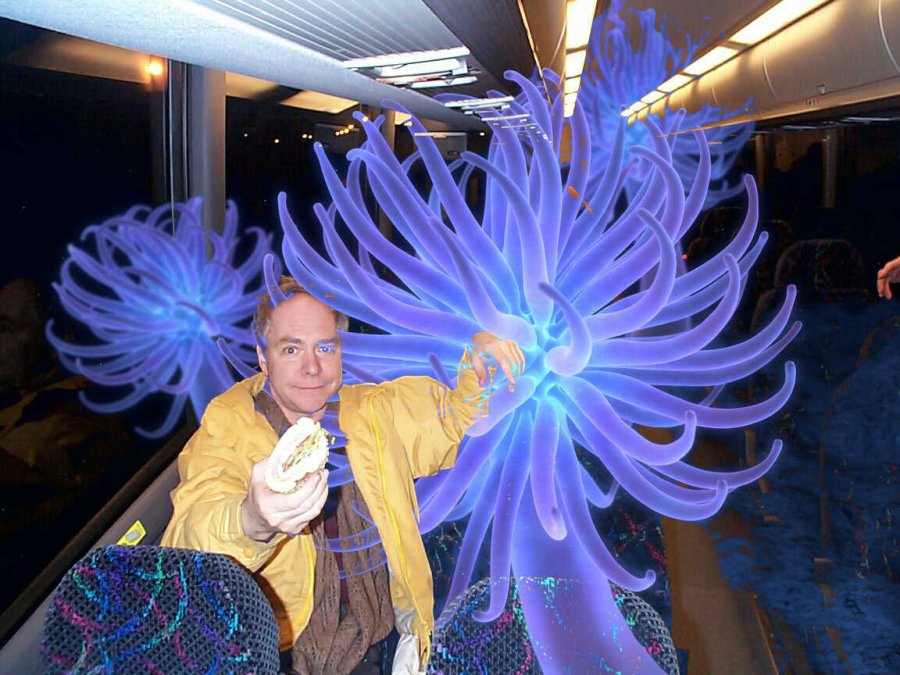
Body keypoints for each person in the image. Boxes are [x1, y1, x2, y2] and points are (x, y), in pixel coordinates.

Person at [161, 276, 525, 674]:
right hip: (282, 654)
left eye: (325, 347)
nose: (312, 367)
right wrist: (252, 520)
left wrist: (481, 363)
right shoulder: (226, 427)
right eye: (291, 349)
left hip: (384, 638)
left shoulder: (372, 409)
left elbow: (455, 419)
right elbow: (187, 544)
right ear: (263, 357)